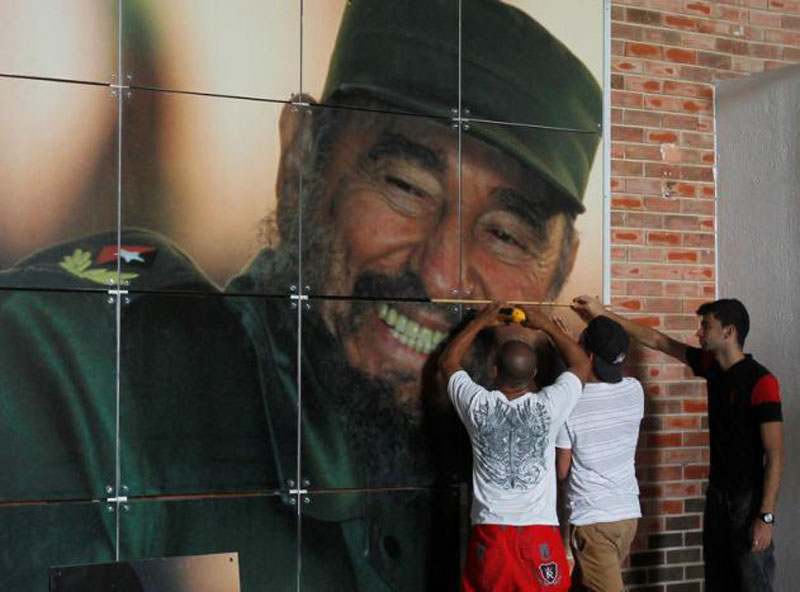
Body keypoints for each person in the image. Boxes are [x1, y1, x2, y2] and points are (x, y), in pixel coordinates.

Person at [0, 2, 602, 591]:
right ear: (300, 162)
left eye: (506, 234)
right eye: (406, 187)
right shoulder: (91, 377)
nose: (444, 275)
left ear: (558, 273)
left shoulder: (511, 468)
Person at [571, 296, 784, 592]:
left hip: (749, 502)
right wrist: (600, 314)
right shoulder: (711, 366)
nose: (699, 333)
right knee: (717, 582)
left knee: (751, 583)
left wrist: (766, 516)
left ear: (728, 332)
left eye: (705, 326)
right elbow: (657, 340)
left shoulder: (762, 382)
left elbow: (775, 455)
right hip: (718, 497)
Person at [438, 302, 591, 591]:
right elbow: (582, 363)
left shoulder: (477, 405)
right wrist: (544, 323)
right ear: (533, 374)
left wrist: (479, 322)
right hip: (539, 535)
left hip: (490, 535)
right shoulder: (549, 407)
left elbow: (448, 362)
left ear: (494, 370)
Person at [554, 315, 644, 592]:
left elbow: (562, 471)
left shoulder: (571, 401)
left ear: (588, 354)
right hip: (627, 517)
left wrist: (566, 345)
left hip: (594, 522)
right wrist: (577, 346)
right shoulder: (634, 390)